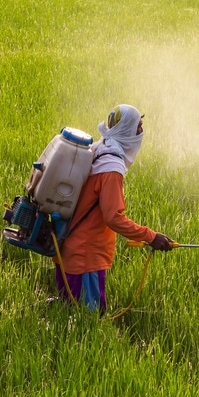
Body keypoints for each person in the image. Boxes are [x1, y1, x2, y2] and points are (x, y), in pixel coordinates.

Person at [54, 104, 173, 312]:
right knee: (87, 321)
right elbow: (113, 217)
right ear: (127, 130)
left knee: (68, 316)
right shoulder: (111, 168)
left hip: (68, 248)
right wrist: (151, 236)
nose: (141, 132)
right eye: (139, 127)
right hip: (85, 257)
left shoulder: (98, 149)